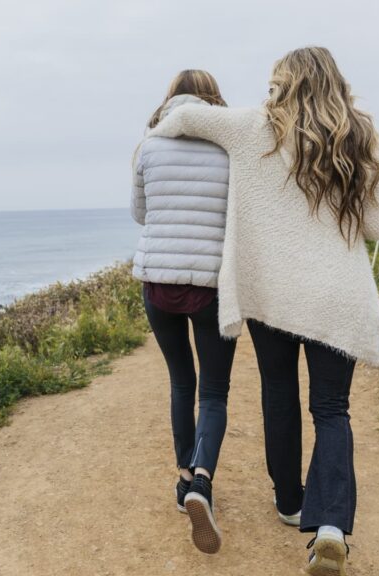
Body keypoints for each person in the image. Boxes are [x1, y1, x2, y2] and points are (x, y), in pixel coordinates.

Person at [152, 47, 379, 576]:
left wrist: (159, 138)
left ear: (283, 83)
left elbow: (183, 118)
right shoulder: (363, 134)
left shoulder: (252, 126)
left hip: (272, 296)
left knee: (279, 395)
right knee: (331, 409)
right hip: (337, 298)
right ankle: (330, 528)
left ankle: (290, 501)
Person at [131, 69, 236, 554]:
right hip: (211, 285)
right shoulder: (228, 147)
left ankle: (182, 479)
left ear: (171, 98)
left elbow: (141, 213)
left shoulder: (148, 146)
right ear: (214, 100)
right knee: (213, 391)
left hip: (159, 282)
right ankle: (201, 481)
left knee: (181, 382)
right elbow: (238, 216)